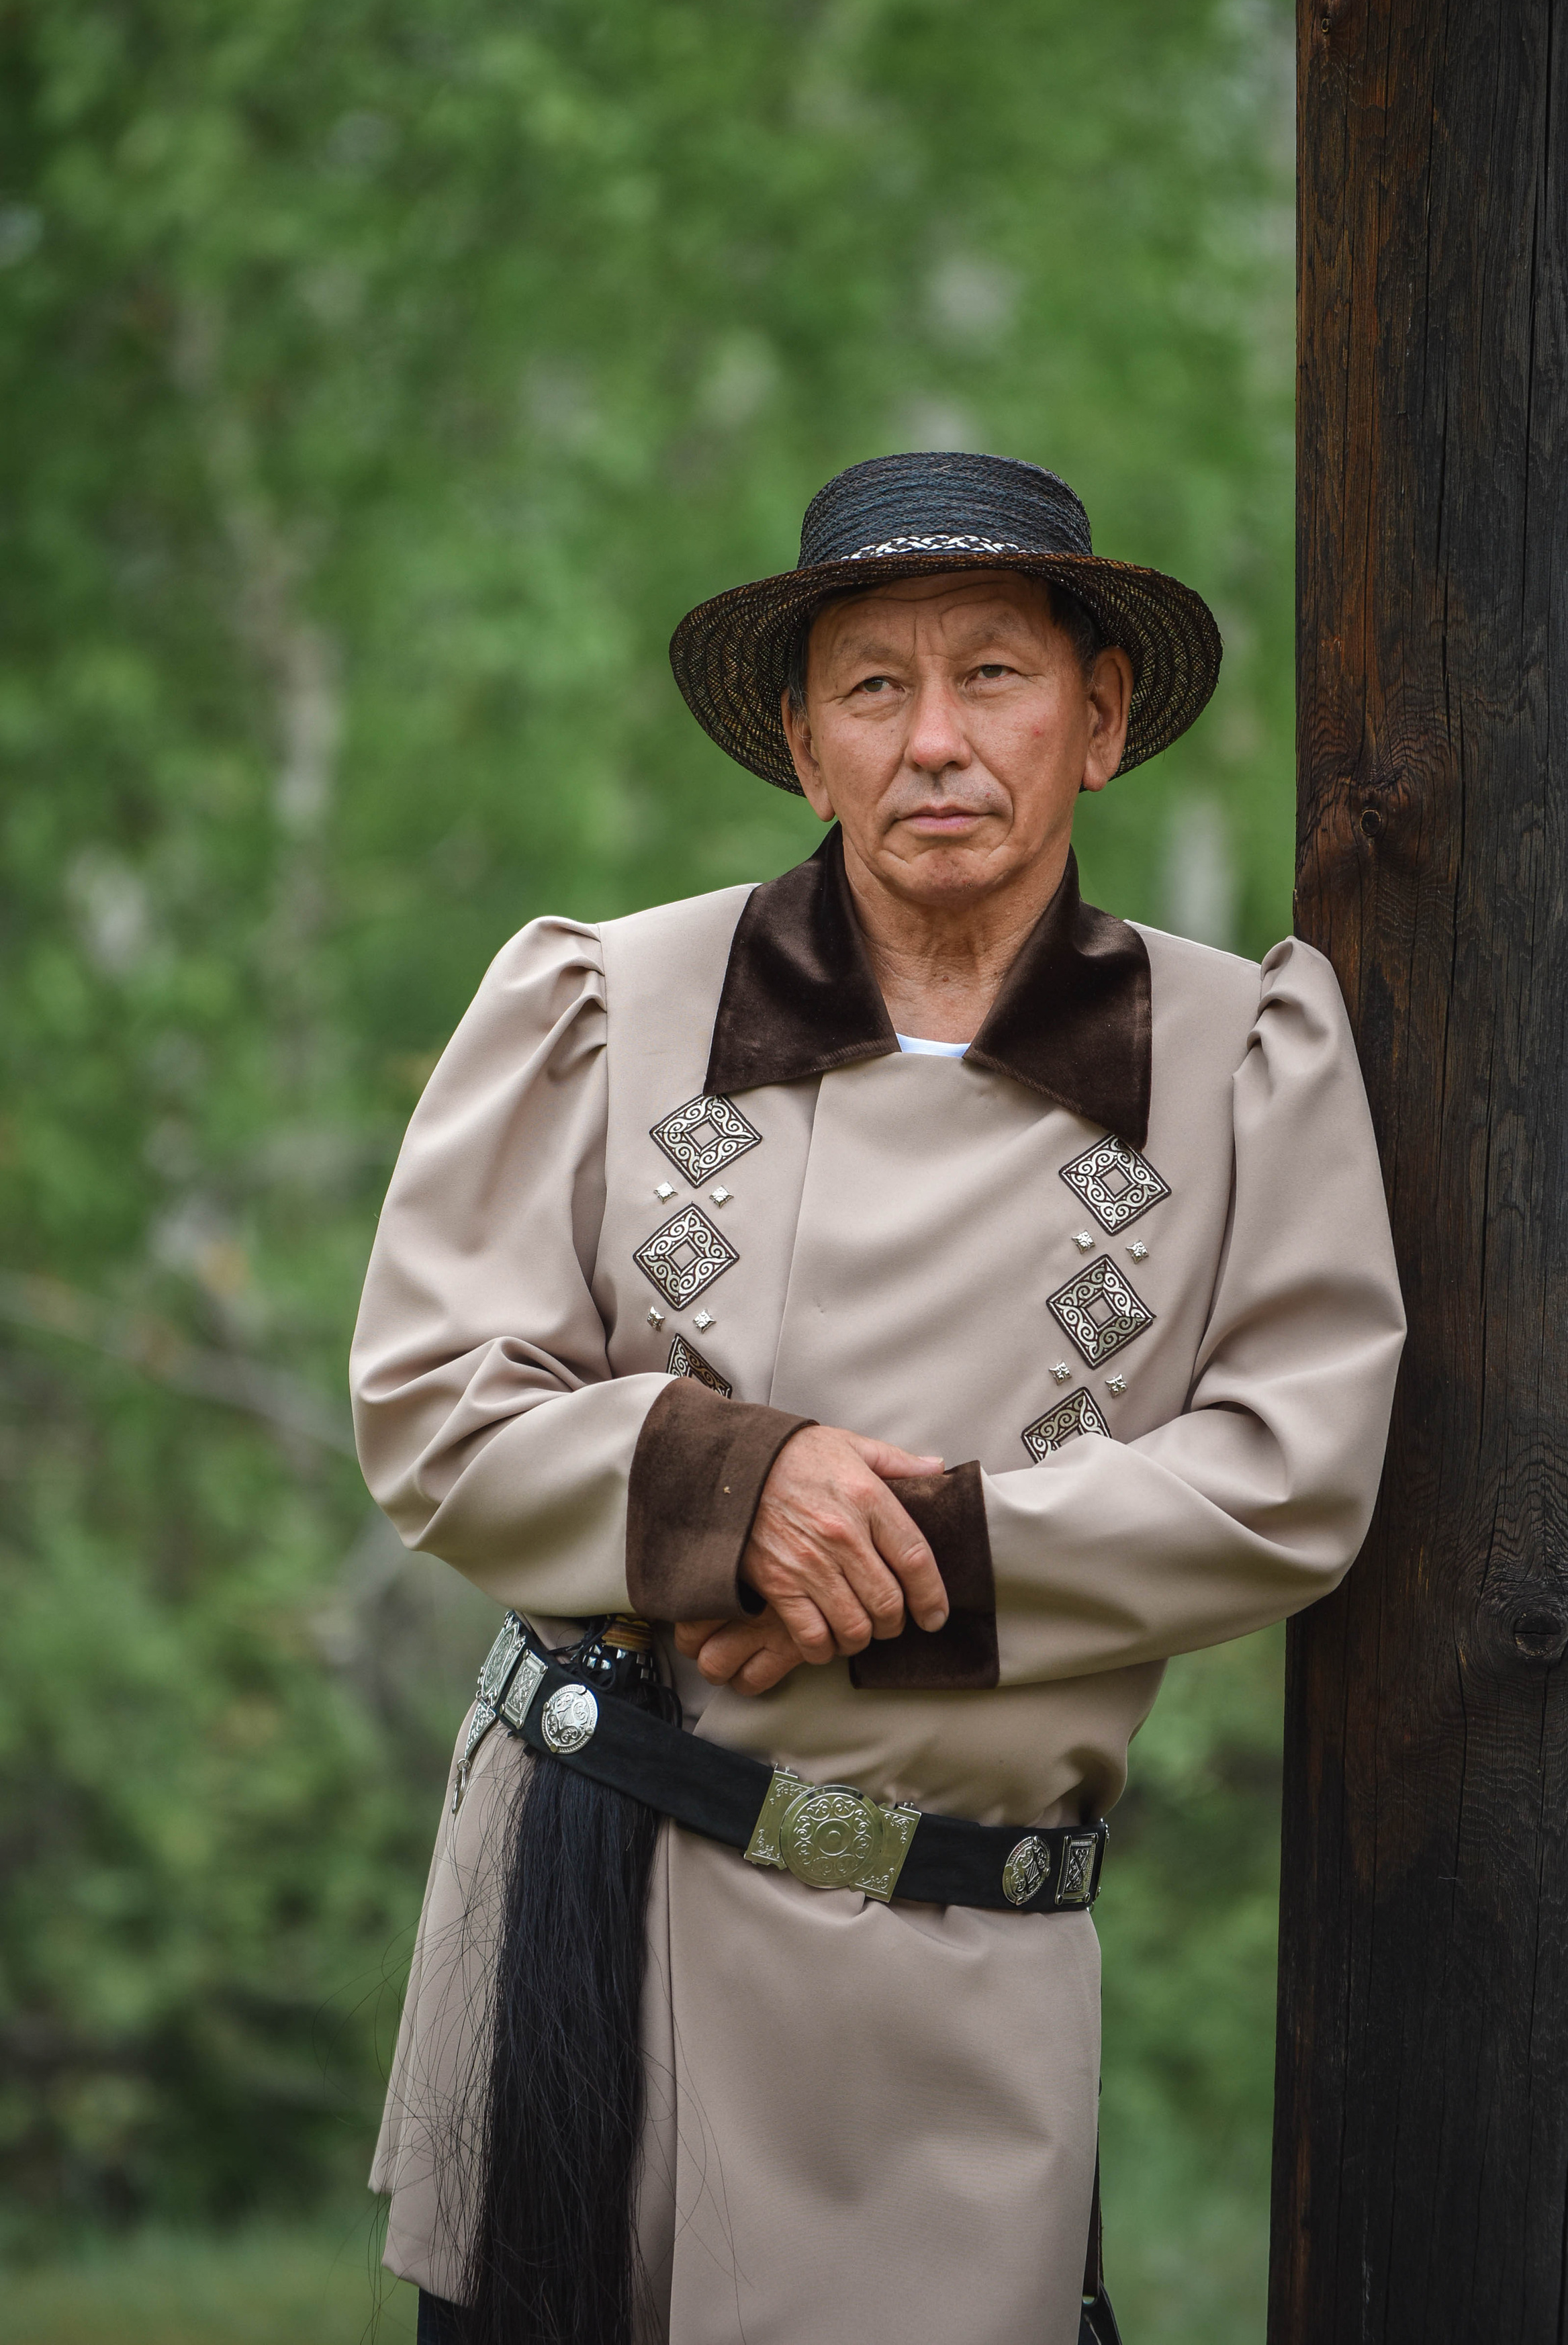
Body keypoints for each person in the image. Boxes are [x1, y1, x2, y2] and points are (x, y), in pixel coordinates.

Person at [352, 449, 1405, 2345]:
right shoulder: (603, 1003)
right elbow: (436, 1402)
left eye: (994, 675)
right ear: (800, 739)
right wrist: (735, 1486)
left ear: (1099, 722)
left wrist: (914, 1547)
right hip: (593, 1917)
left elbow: (1292, 1476)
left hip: (959, 1975)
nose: (935, 740)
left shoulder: (1246, 1059)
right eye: (873, 687)